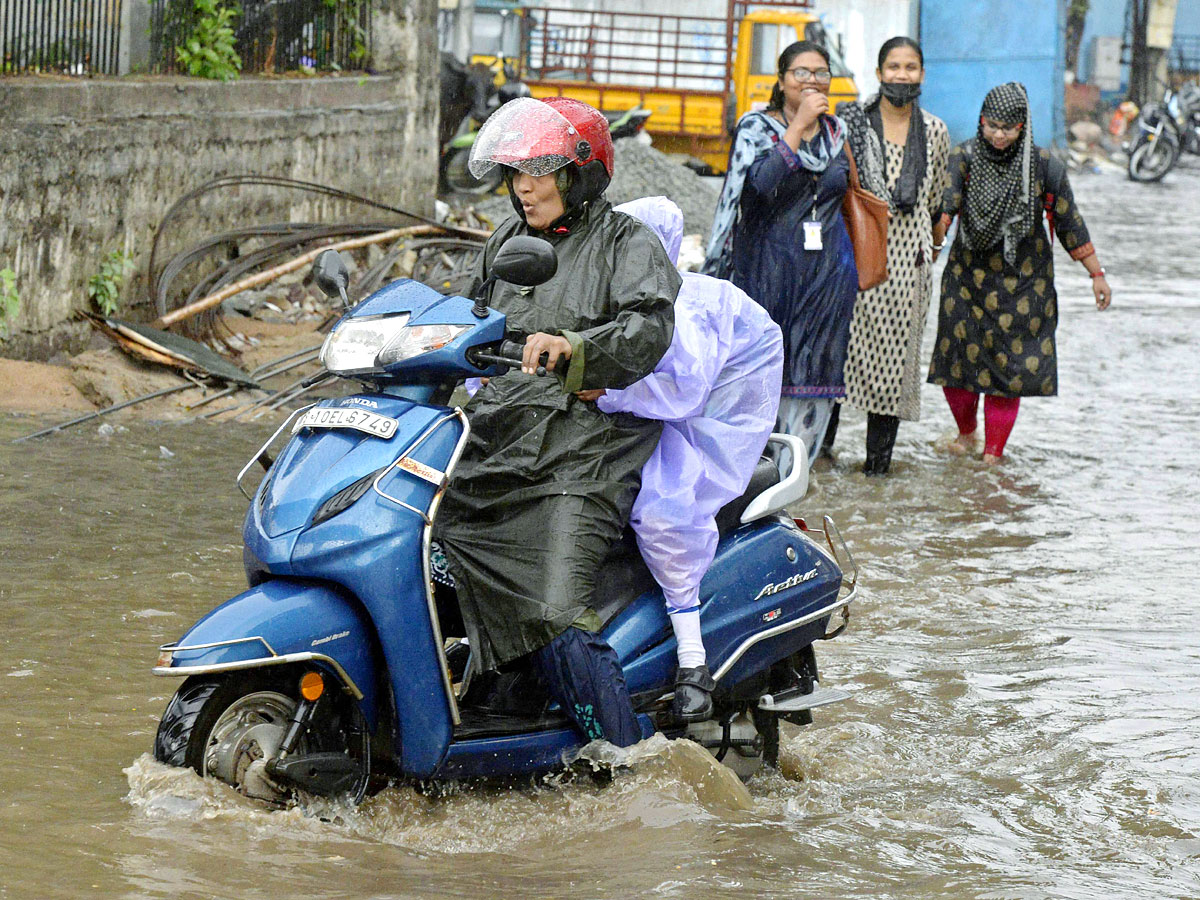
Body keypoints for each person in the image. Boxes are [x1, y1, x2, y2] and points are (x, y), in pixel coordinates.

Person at [434, 97, 679, 747]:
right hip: (495, 439)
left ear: (580, 173)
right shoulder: (504, 243)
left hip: (586, 450)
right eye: (516, 171)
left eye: (541, 170)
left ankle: (630, 761)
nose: (525, 185)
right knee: (423, 556)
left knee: (551, 611)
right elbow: (459, 321)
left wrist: (579, 349)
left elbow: (649, 327)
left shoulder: (628, 243)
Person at [576, 196, 783, 721]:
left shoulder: (684, 311)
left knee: (664, 507)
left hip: (718, 408)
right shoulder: (617, 296)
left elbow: (684, 390)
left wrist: (606, 393)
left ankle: (693, 659)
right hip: (664, 398)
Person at [927, 82, 1112, 463]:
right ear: (981, 122)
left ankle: (994, 455)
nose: (998, 135)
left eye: (1008, 128)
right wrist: (933, 237)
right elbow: (945, 205)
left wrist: (1097, 274)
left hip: (1024, 286)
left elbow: (1069, 221)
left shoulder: (1045, 167)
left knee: (1008, 375)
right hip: (966, 281)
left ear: (1023, 127)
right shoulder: (963, 157)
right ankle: (966, 434)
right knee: (956, 369)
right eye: (992, 126)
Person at [702, 40, 858, 472]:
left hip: (826, 280)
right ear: (782, 79)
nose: (812, 81)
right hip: (766, 274)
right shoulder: (755, 127)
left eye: (821, 73)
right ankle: (751, 480)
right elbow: (760, 185)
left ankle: (795, 480)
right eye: (801, 73)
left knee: (814, 382)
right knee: (761, 374)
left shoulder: (836, 134)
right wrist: (797, 128)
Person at [835, 37, 951, 475]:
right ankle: (818, 462)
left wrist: (935, 248)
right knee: (839, 361)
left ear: (922, 73)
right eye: (894, 66)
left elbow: (936, 199)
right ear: (879, 72)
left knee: (893, 368)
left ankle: (876, 472)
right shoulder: (854, 124)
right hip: (855, 259)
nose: (902, 75)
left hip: (909, 266)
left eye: (911, 67)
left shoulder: (937, 132)